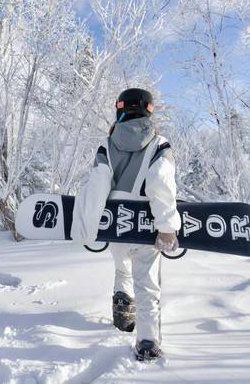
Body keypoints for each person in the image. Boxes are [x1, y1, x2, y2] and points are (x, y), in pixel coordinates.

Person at [71, 88, 182, 361]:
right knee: (147, 284)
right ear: (148, 110)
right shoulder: (159, 144)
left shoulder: (107, 146)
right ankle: (146, 341)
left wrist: (89, 228)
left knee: (123, 270)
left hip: (116, 228)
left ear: (120, 109)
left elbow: (97, 184)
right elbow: (160, 181)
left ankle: (122, 310)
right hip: (145, 227)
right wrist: (166, 226)